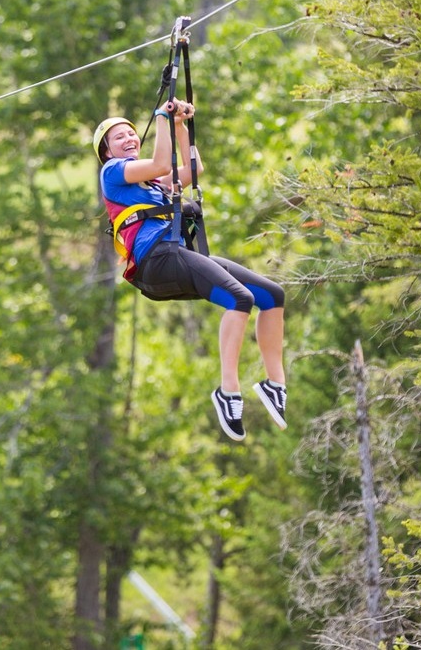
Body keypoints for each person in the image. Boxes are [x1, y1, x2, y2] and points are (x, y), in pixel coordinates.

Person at [94, 100, 287, 441]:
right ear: (108, 152)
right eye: (118, 137)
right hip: (157, 261)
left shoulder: (152, 185)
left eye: (130, 133)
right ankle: (228, 392)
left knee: (271, 296)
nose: (128, 138)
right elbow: (156, 161)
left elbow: (193, 171)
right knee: (239, 299)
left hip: (174, 256)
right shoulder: (112, 174)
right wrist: (161, 117)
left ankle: (275, 385)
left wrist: (180, 125)